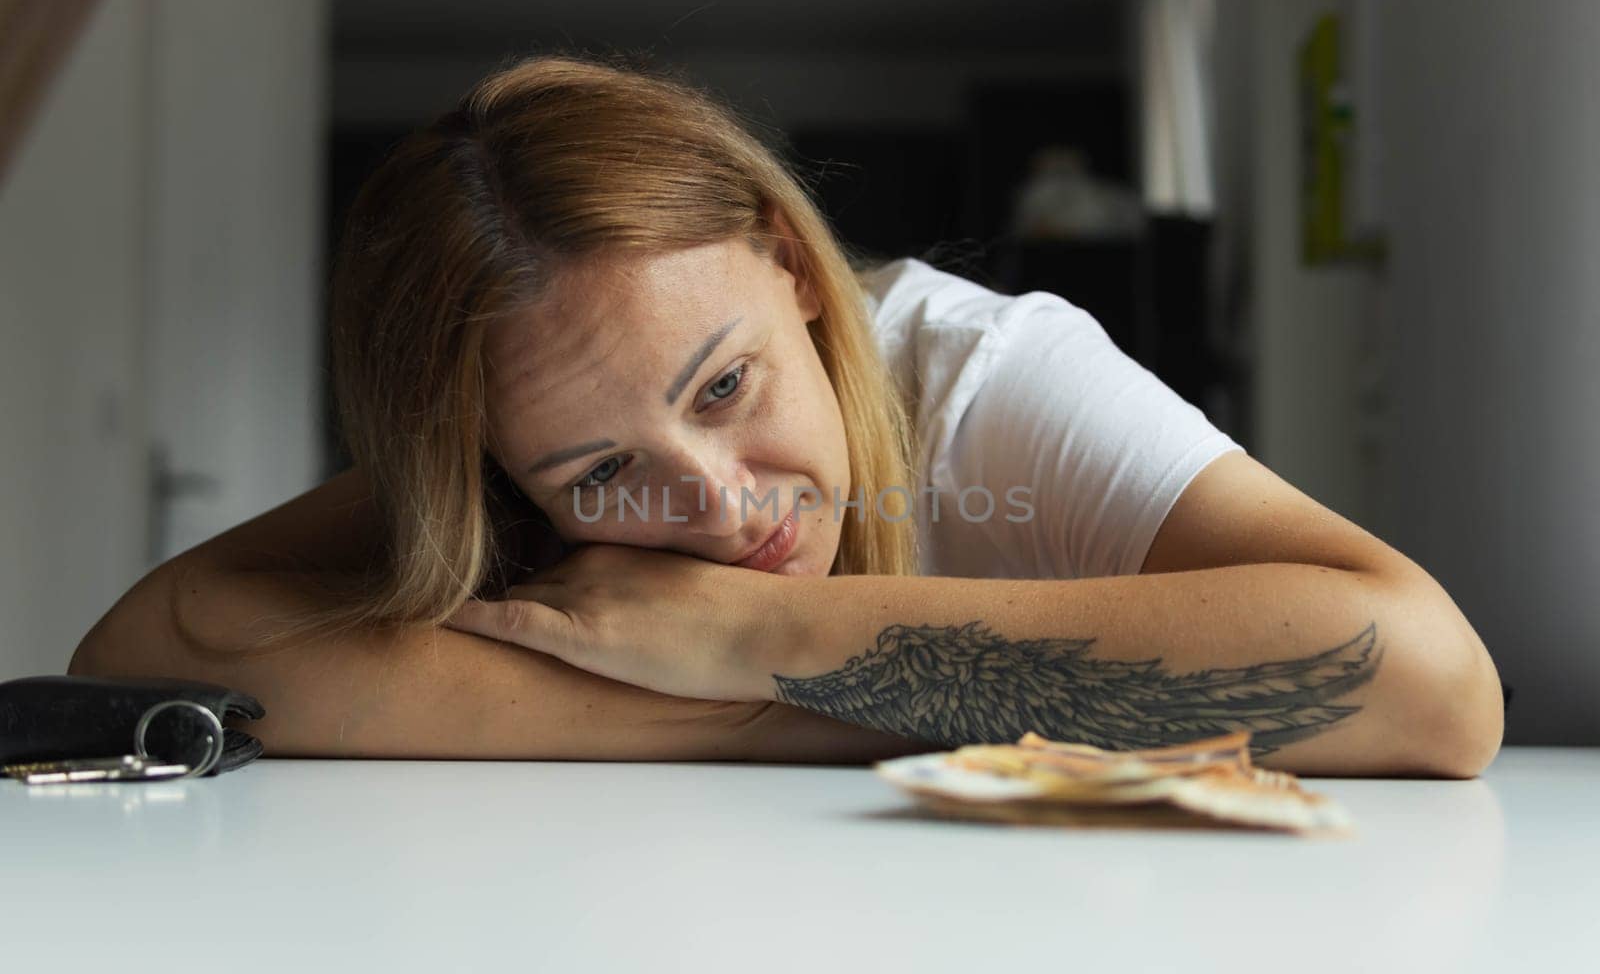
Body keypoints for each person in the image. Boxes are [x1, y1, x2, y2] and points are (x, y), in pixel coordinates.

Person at [70, 54, 1504, 776]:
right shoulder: (503, 452)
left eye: (724, 385)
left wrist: (751, 641)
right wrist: (779, 711)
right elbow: (148, 648)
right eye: (600, 470)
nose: (713, 501)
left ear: (791, 261)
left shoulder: (981, 375)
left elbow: (1433, 682)